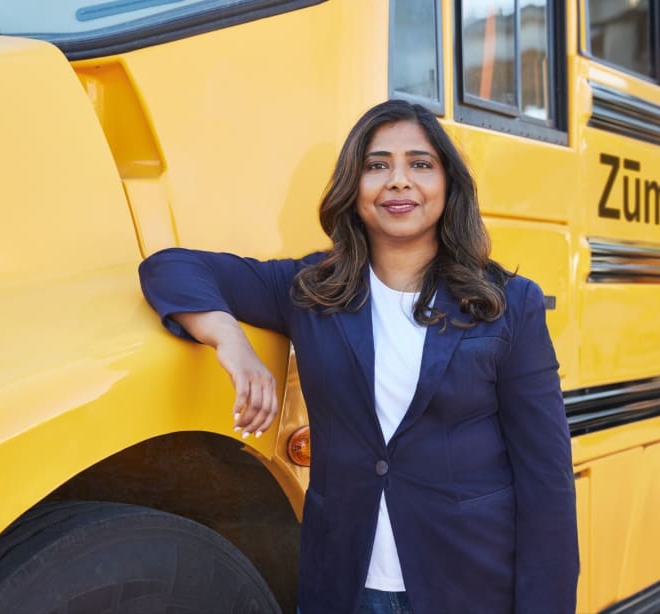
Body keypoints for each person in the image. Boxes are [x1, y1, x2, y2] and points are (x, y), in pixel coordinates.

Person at [139, 100, 579, 614]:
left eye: (420, 164)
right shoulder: (312, 290)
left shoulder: (508, 304)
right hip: (344, 587)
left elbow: (546, 478)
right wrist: (228, 338)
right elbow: (168, 268)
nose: (397, 181)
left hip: (470, 586)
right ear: (355, 188)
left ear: (448, 185)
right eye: (377, 166)